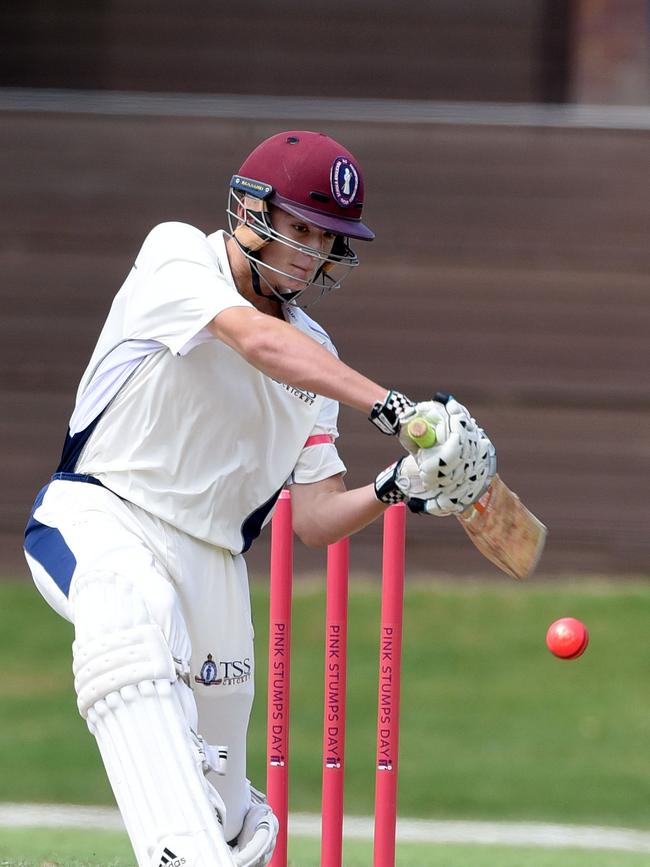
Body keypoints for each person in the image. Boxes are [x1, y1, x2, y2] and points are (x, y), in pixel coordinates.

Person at [23, 130, 495, 867]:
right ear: (249, 207)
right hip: (102, 514)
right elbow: (252, 340)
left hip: (214, 570)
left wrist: (399, 483)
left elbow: (314, 518)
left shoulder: (318, 356)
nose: (309, 252)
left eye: (326, 237)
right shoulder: (178, 255)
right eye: (299, 227)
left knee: (233, 814)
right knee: (127, 613)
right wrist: (403, 413)